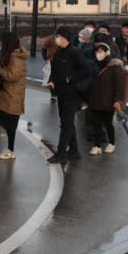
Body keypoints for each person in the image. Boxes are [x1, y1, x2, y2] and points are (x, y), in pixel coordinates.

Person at [48, 26, 92, 164]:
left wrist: (70, 78)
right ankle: (74, 151)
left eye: (57, 36)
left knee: (66, 125)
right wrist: (51, 81)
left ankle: (61, 154)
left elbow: (86, 69)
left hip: (72, 94)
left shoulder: (74, 52)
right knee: (66, 122)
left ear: (64, 38)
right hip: (62, 92)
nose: (56, 39)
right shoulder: (59, 52)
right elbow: (55, 70)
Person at [0, 31, 29, 160]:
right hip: (10, 94)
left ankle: (10, 151)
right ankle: (9, 147)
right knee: (9, 123)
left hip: (12, 96)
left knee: (9, 123)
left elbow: (11, 76)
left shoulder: (15, 58)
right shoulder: (15, 54)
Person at [86, 42, 125, 155]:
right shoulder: (92, 65)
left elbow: (119, 85)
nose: (99, 54)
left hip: (108, 101)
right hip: (95, 100)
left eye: (101, 51)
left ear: (107, 53)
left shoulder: (114, 66)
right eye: (97, 51)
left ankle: (111, 143)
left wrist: (117, 100)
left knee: (108, 123)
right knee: (96, 124)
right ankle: (96, 146)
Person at [41, 32, 59, 102]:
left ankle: (55, 94)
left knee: (56, 78)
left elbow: (43, 48)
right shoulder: (51, 39)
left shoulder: (64, 39)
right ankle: (54, 94)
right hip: (52, 61)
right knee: (53, 78)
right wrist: (46, 58)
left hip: (59, 60)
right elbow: (43, 48)